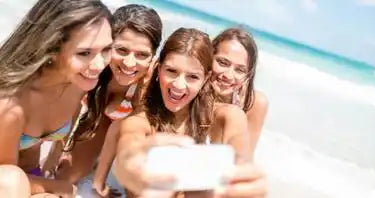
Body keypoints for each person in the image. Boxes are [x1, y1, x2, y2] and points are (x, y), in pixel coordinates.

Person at [114, 27, 265, 197]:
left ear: (205, 78)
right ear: (158, 69)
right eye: (171, 71)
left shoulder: (230, 115)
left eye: (192, 77)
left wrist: (243, 177)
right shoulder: (139, 121)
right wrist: (129, 168)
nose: (179, 85)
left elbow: (240, 154)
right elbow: (129, 150)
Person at [0, 0, 113, 197]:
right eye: (84, 53)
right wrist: (59, 187)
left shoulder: (77, 81)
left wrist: (57, 154)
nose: (99, 64)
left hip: (31, 176)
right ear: (51, 49)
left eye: (106, 49)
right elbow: (6, 181)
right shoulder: (9, 105)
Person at [49, 4, 162, 197]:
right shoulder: (93, 68)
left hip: (125, 142)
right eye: (122, 50)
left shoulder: (149, 83)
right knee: (66, 177)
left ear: (153, 56)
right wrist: (56, 152)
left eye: (142, 54)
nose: (129, 63)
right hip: (98, 119)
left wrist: (102, 180)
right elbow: (69, 110)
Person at [211, 28, 269, 156]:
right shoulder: (187, 91)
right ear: (209, 56)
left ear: (248, 75)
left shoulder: (254, 104)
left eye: (240, 70)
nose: (229, 75)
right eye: (223, 62)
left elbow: (245, 159)